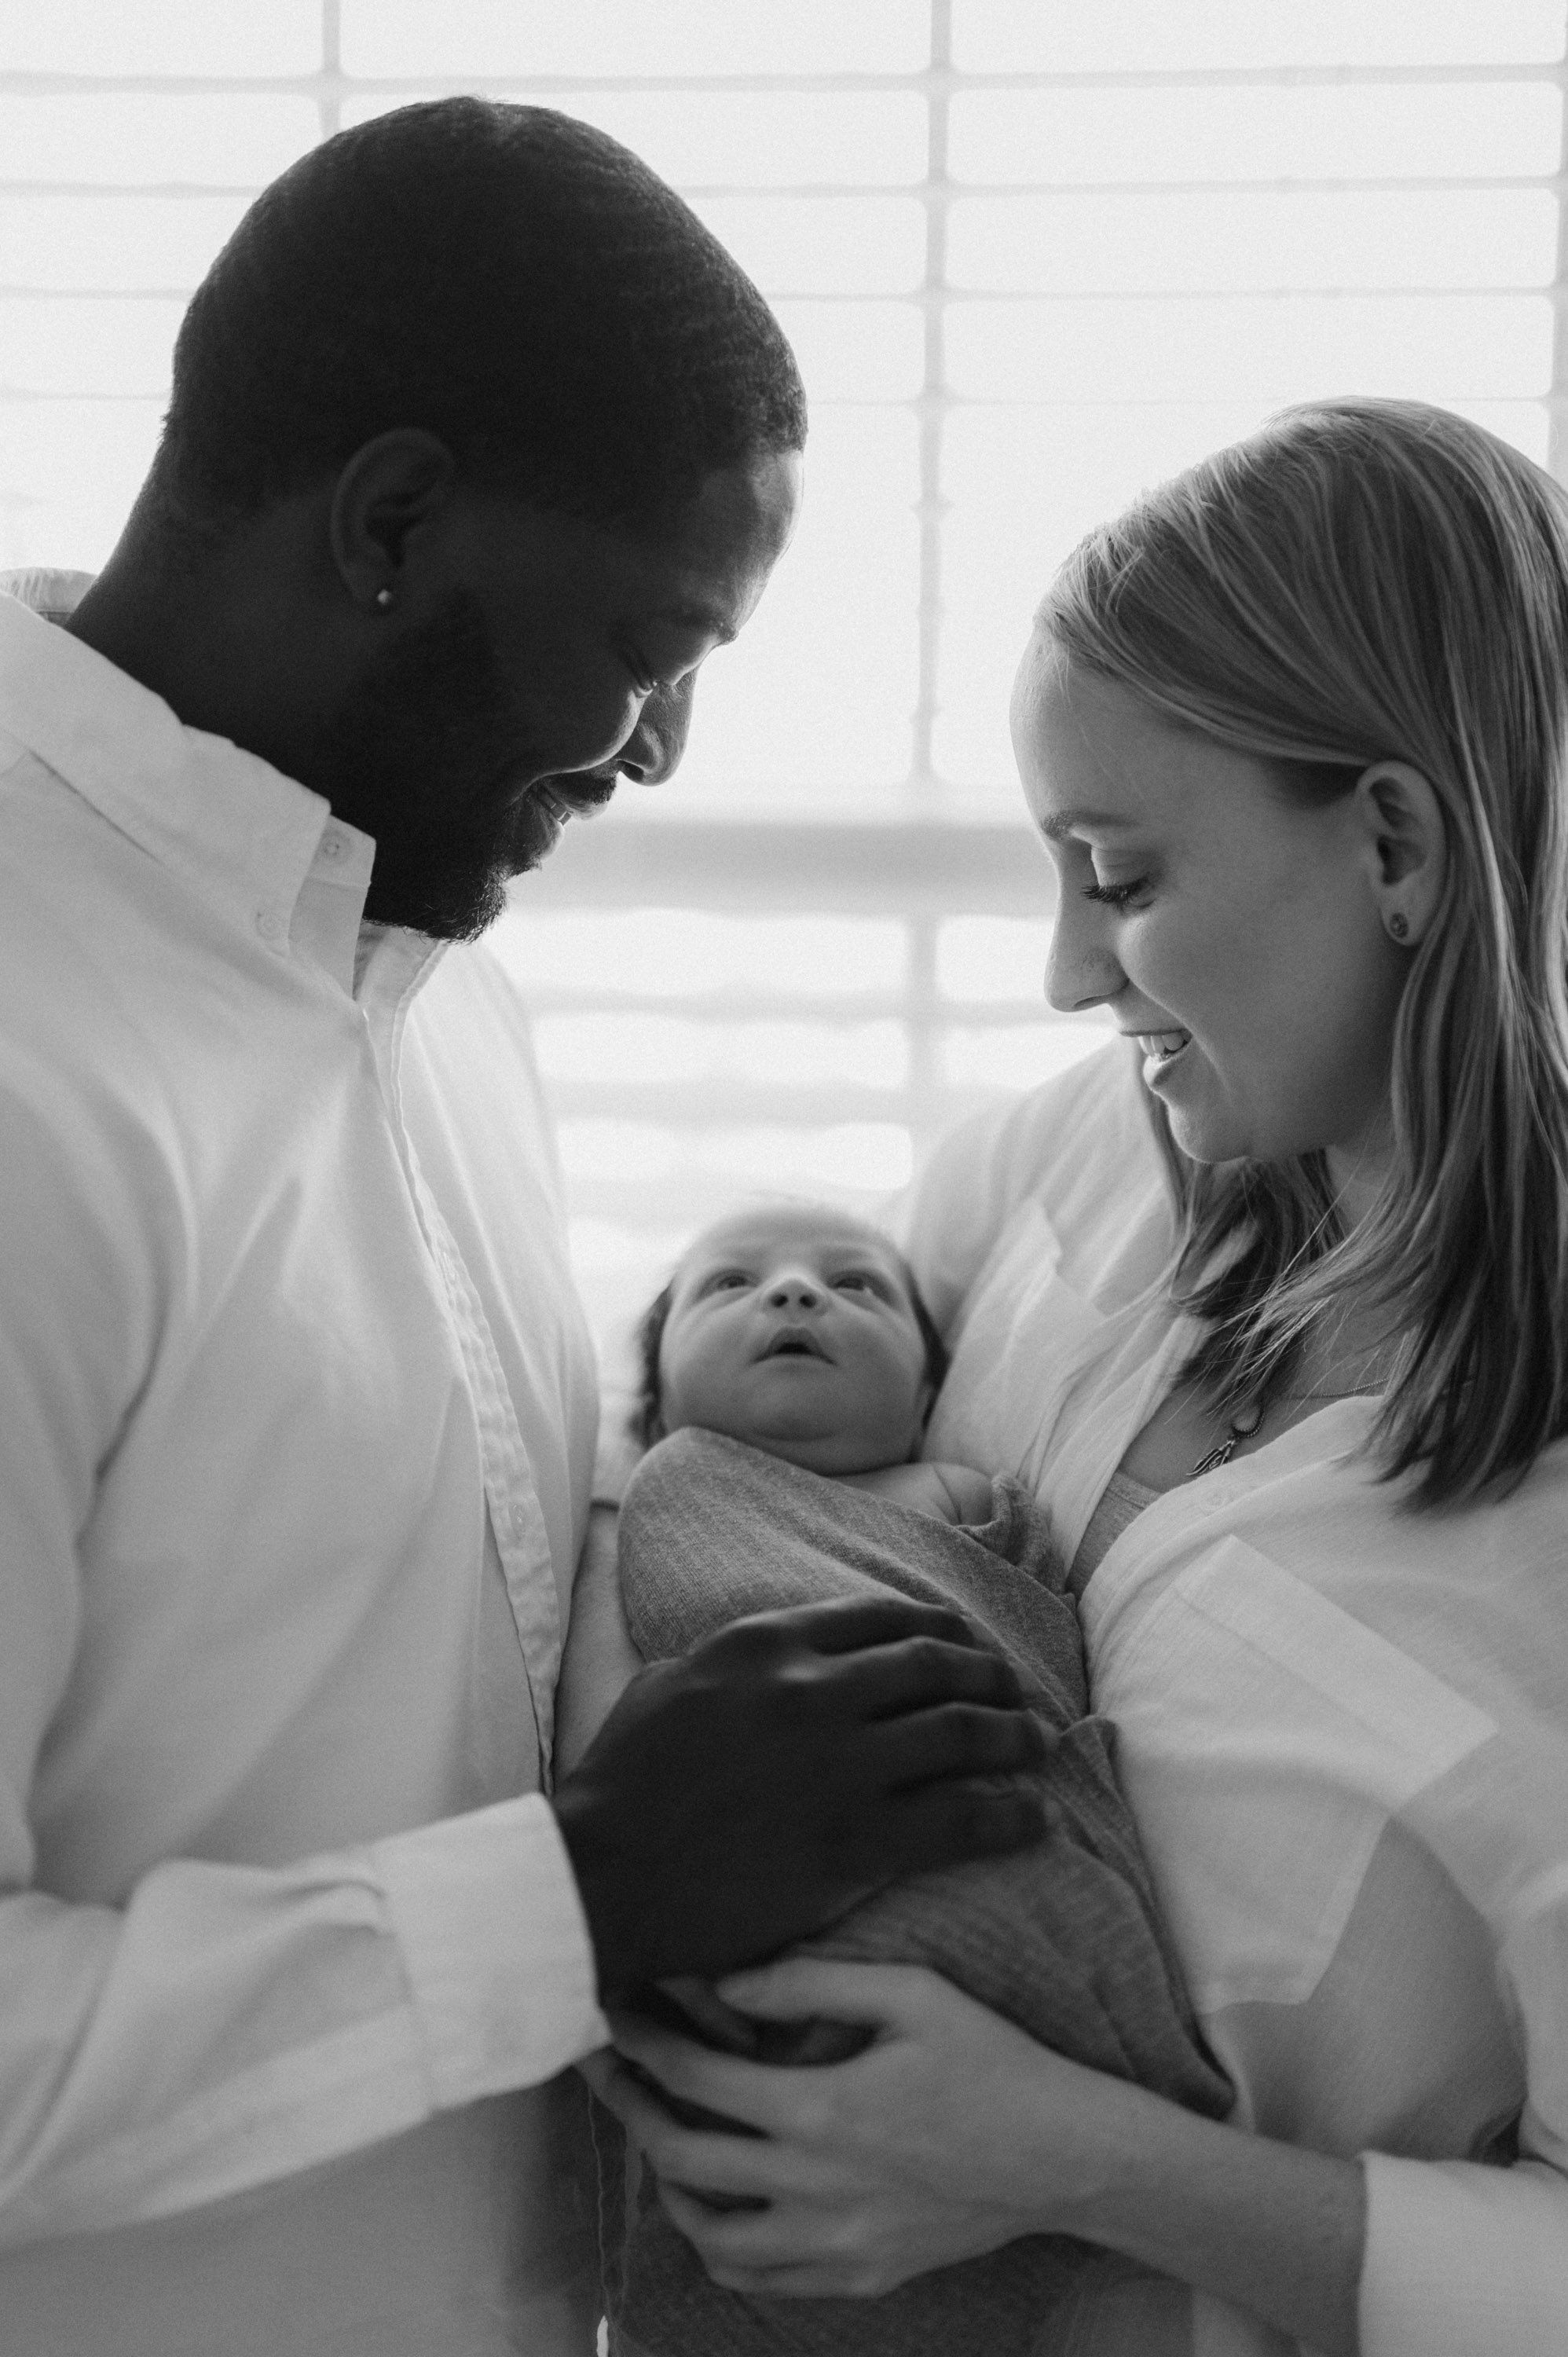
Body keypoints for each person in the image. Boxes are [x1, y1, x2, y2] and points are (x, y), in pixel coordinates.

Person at [0, 100, 1050, 2357]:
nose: (662, 748)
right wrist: (582, 1893)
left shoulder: (441, 986)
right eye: (650, 640)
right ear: (392, 520)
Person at [584, 398, 1568, 2356]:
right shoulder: (1061, 1179)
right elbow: (752, 1453)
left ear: (1391, 843)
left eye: (1115, 877)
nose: (1059, 971)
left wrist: (1057, 2157)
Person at [561, 1199, 1229, 2356]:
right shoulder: (651, 1500)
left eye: (858, 1285)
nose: (795, 1292)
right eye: (732, 1284)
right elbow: (613, 1757)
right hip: (747, 1904)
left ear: (926, 1389)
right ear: (659, 1395)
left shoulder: (973, 1502)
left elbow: (1039, 1664)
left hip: (988, 1836)